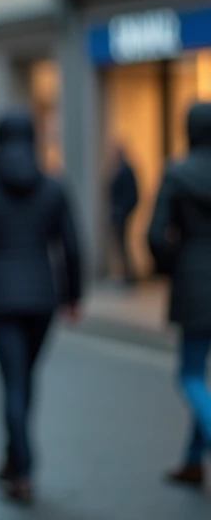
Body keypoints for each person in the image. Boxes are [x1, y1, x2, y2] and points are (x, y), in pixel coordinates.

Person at [0, 111, 83, 505]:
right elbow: (72, 248)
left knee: (11, 380)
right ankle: (14, 458)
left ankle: (21, 468)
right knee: (25, 377)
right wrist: (73, 296)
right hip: (43, 295)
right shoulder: (54, 185)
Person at [147, 102, 211, 490]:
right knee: (197, 377)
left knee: (189, 374)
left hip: (193, 283)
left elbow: (156, 235)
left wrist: (174, 264)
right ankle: (191, 461)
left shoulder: (177, 173)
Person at [107, 144, 140, 285]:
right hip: (118, 213)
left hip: (121, 214)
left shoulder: (125, 170)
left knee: (123, 246)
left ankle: (128, 276)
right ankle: (125, 275)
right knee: (120, 246)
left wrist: (125, 211)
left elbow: (133, 194)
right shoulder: (120, 169)